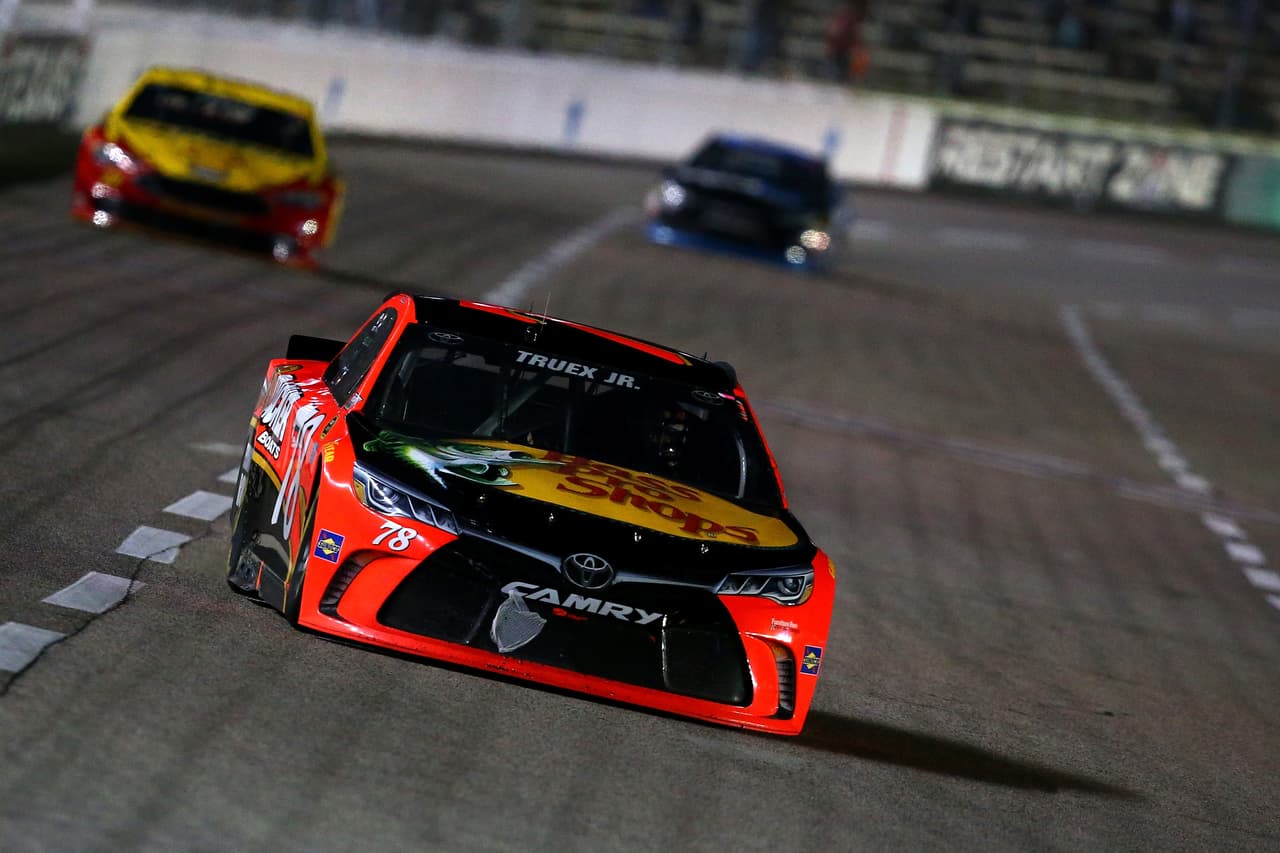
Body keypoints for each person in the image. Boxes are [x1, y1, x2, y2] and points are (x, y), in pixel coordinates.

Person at [824, 0, 868, 82]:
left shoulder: (851, 19)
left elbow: (855, 37)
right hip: (837, 52)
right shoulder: (841, 18)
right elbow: (832, 33)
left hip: (845, 52)